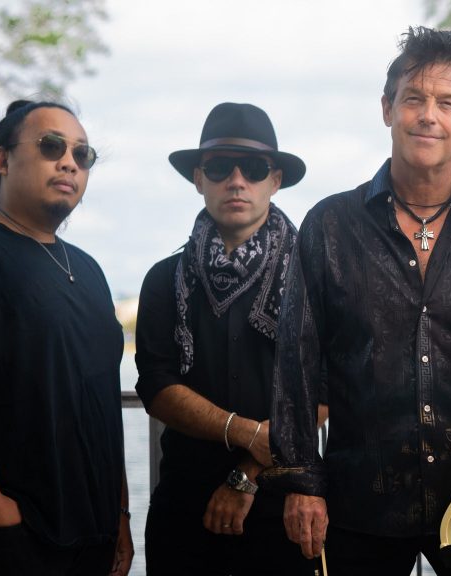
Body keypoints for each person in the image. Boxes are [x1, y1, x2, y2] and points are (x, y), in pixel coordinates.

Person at [271, 26, 451, 576]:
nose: (429, 116)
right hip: (361, 504)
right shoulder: (327, 227)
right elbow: (296, 367)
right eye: (414, 99)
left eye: (447, 103)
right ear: (387, 109)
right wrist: (302, 483)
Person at [0, 100, 132, 575]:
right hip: (3, 542)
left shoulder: (89, 270)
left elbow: (103, 401)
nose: (69, 162)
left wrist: (120, 514)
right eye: (51, 146)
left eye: (82, 154)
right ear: (2, 159)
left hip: (90, 540)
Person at [134, 102, 318, 575]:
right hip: (184, 512)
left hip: (286, 512)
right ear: (199, 179)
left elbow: (328, 389)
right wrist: (249, 433)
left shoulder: (313, 278)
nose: (237, 181)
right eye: (219, 167)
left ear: (275, 180)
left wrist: (247, 473)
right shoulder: (164, 279)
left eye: (254, 168)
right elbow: (156, 385)